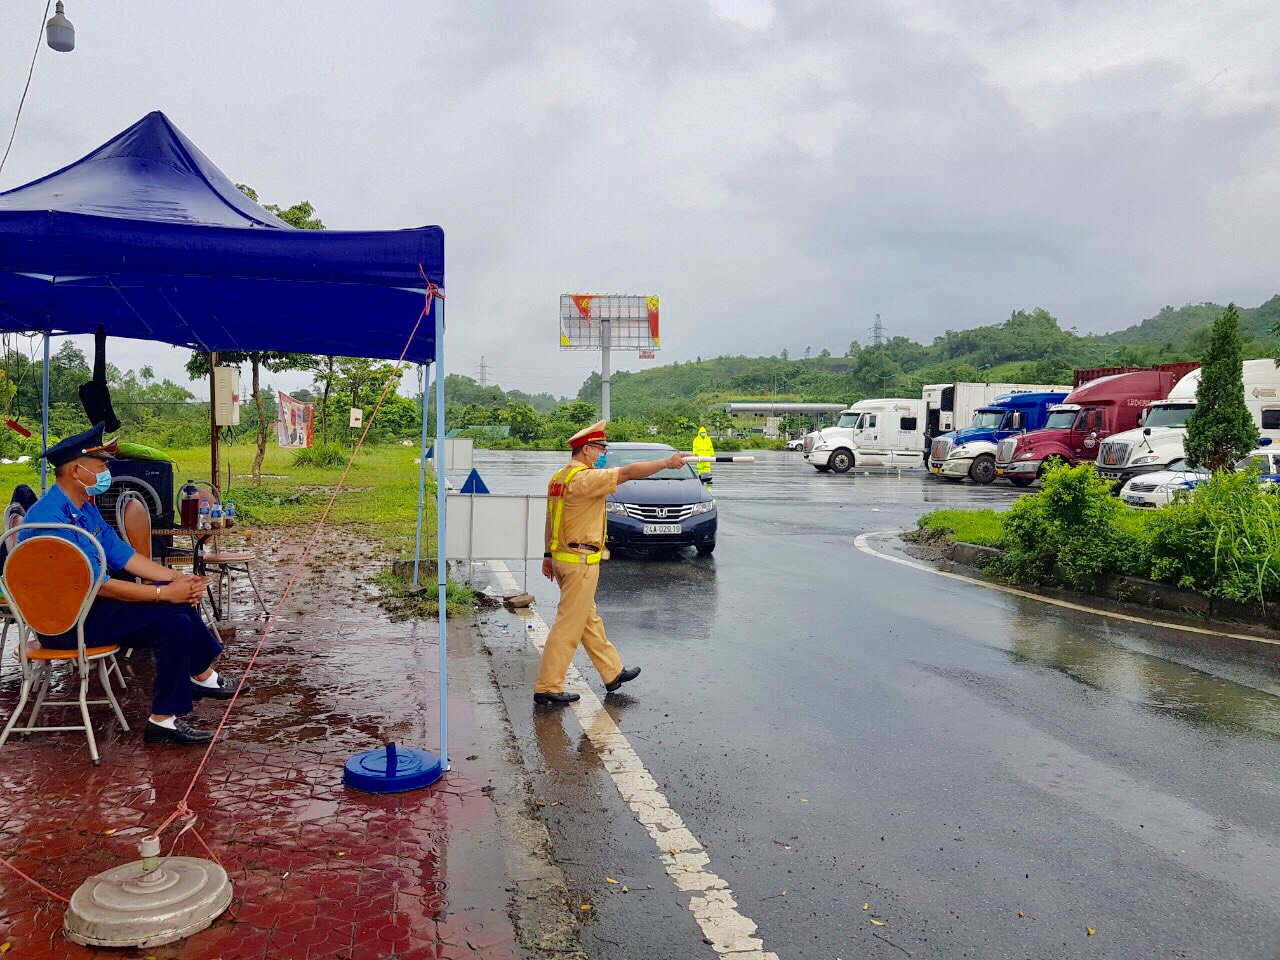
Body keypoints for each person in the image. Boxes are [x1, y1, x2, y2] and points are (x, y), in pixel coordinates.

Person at [19, 423, 237, 746]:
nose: (106, 472)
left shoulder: (84, 509)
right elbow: (100, 585)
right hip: (64, 623)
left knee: (176, 617)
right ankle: (193, 684)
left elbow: (125, 556)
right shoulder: (50, 519)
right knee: (173, 613)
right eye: (101, 466)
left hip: (88, 609)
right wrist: (163, 592)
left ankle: (171, 711)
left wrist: (175, 578)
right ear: (77, 471)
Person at [535, 420, 689, 705]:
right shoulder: (585, 479)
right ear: (585, 450)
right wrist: (666, 463)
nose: (603, 454)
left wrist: (548, 555)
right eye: (600, 449)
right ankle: (547, 687)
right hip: (579, 562)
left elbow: (550, 520)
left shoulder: (559, 477)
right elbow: (628, 473)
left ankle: (612, 672)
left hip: (564, 559)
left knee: (587, 619)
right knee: (568, 625)